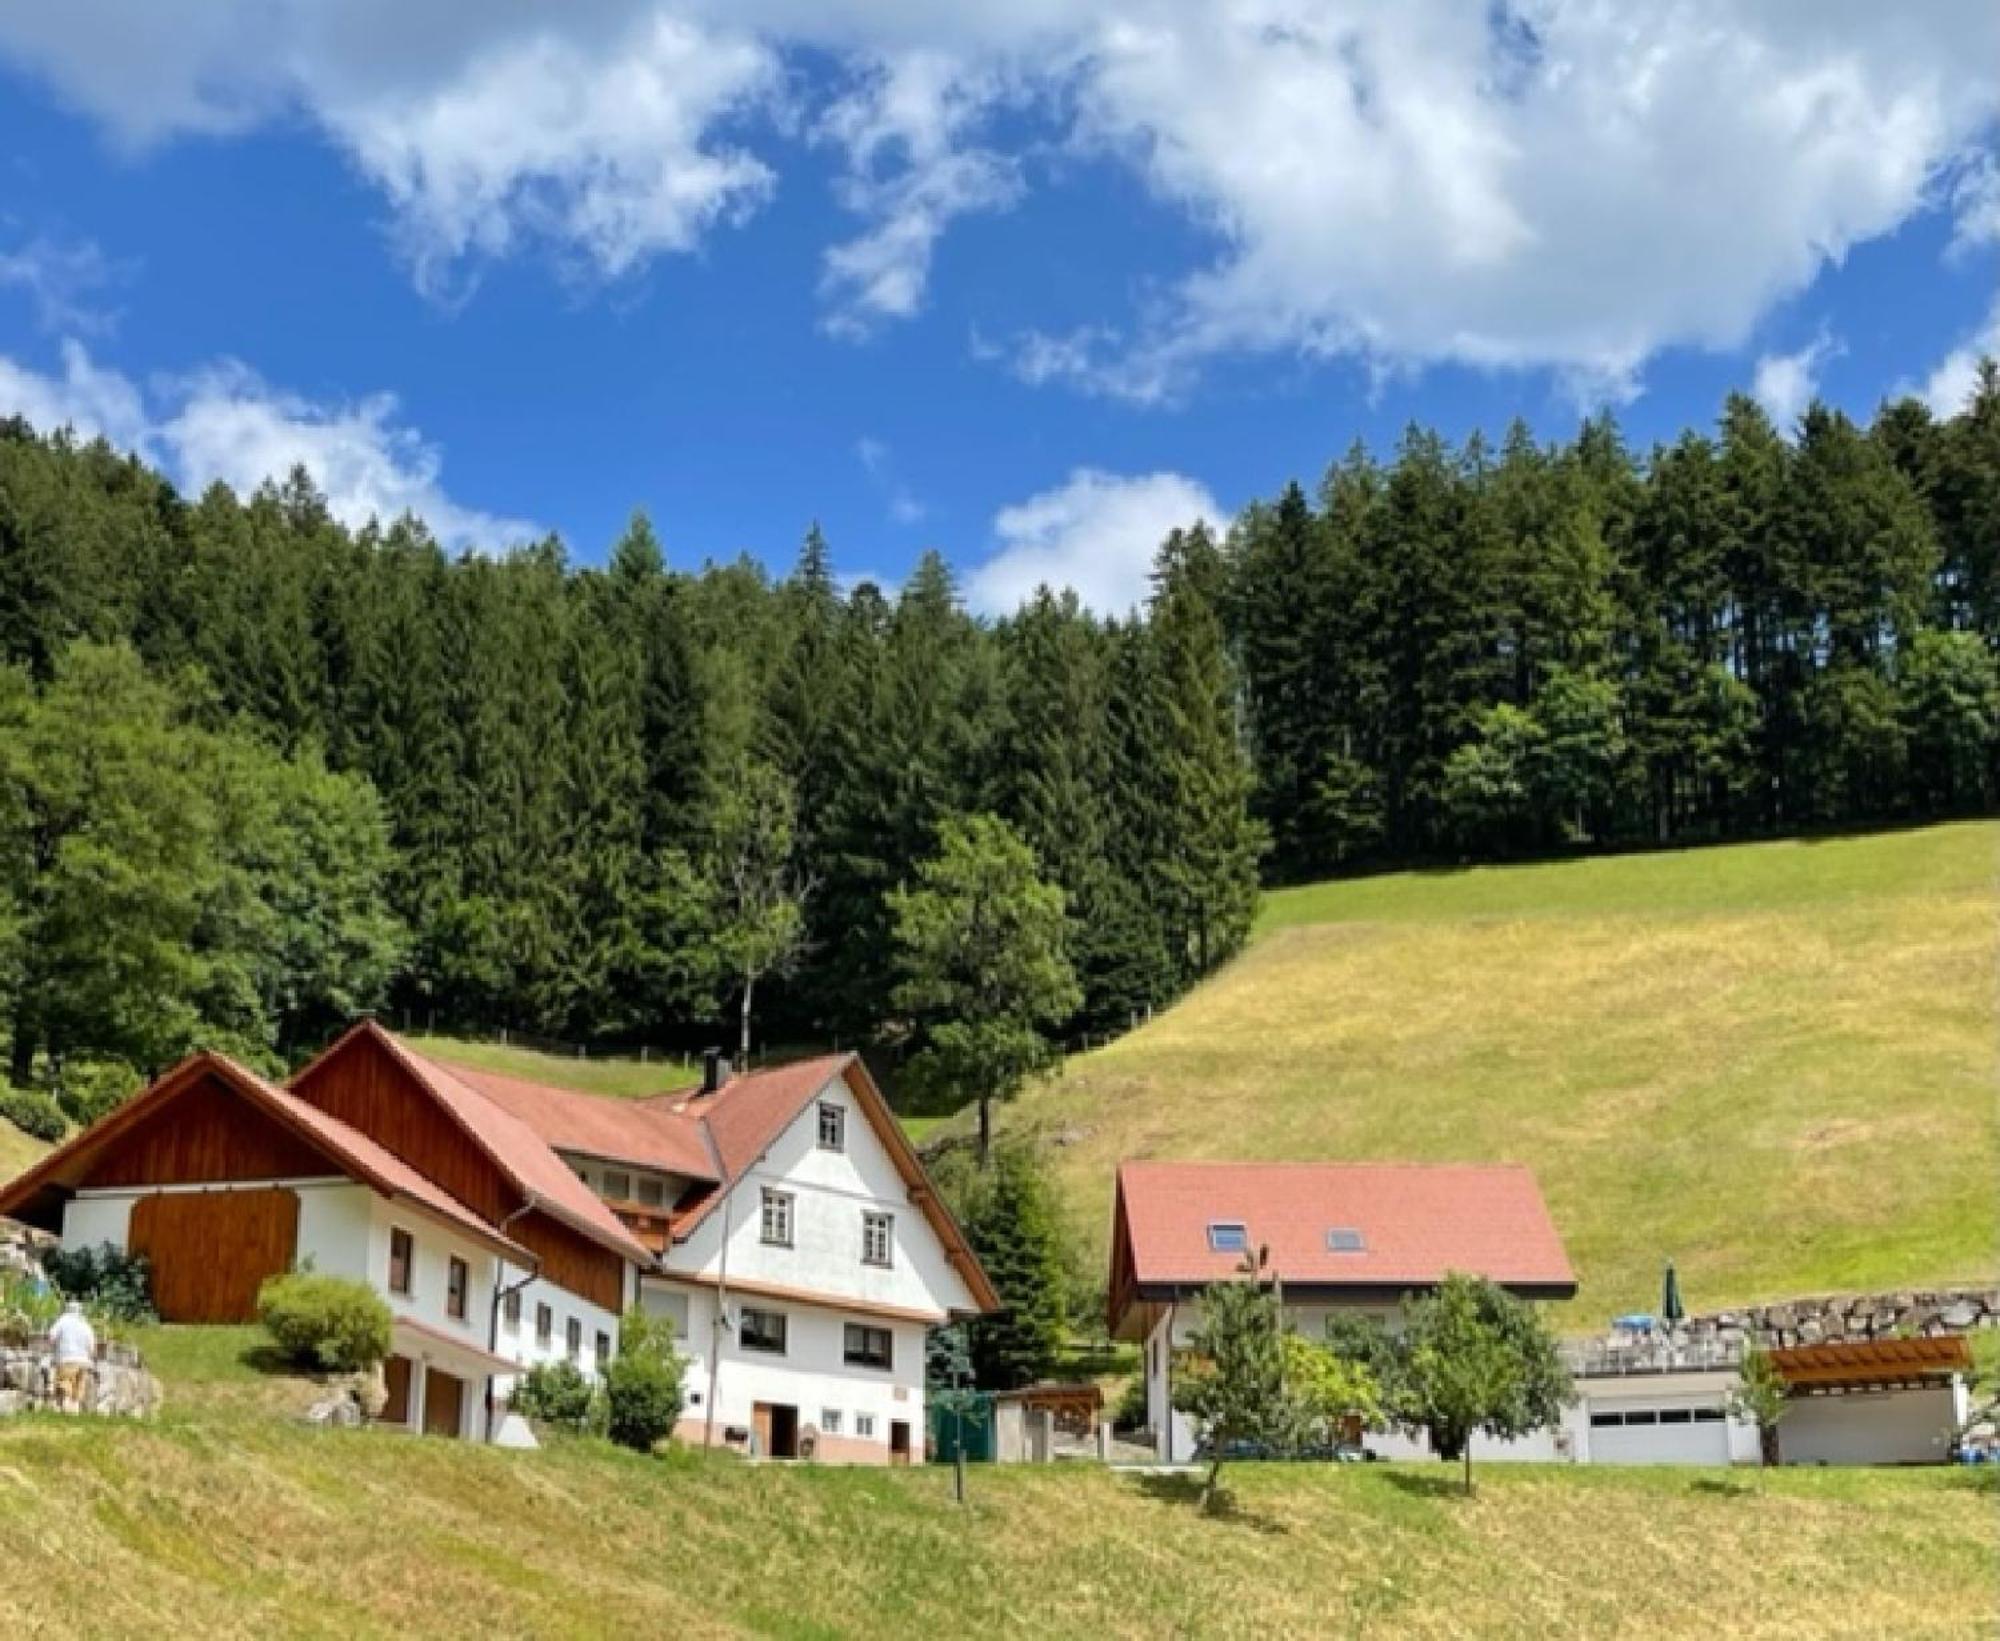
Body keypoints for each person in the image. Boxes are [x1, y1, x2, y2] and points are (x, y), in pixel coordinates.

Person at [47, 1300, 96, 1414]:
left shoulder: (62, 1321)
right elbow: (92, 1345)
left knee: (66, 1382)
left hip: (66, 1358)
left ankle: (66, 1405)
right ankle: (75, 1408)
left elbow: (51, 1337)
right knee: (79, 1385)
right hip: (83, 1361)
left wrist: (54, 1348)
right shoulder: (85, 1324)